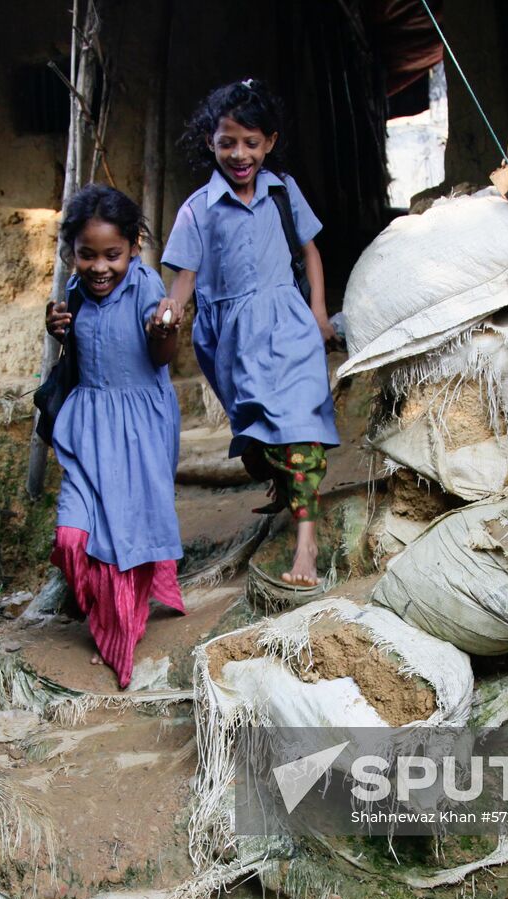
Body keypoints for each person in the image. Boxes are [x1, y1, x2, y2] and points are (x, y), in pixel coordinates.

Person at [159, 78, 340, 588]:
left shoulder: (283, 193)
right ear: (211, 143)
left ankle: (307, 542)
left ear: (271, 143)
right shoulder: (197, 209)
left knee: (300, 427)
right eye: (227, 142)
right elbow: (185, 281)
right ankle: (285, 486)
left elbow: (310, 252)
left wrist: (319, 313)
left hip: (288, 323)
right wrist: (169, 311)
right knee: (259, 439)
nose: (240, 155)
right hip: (232, 341)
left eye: (252, 143)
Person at [44, 184, 185, 689]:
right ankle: (102, 609)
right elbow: (81, 347)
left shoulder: (147, 287)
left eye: (113, 255)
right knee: (71, 537)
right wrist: (56, 326)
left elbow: (161, 357)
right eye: (87, 255)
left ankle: (121, 634)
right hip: (86, 428)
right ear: (73, 253)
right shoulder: (76, 291)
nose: (100, 266)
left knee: (121, 539)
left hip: (138, 430)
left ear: (133, 248)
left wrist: (166, 329)